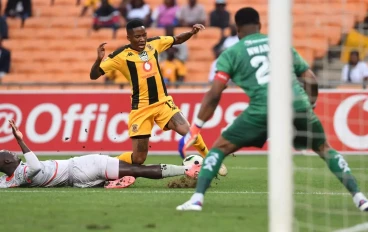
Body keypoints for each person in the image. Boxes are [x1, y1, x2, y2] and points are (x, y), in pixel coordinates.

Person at [176, 7, 368, 211]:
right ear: (259, 26)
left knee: (219, 149)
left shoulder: (231, 53)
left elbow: (214, 94)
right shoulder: (280, 45)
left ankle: (197, 200)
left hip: (261, 109)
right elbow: (310, 80)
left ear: (237, 29)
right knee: (324, 149)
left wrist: (196, 127)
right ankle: (360, 198)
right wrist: (309, 106)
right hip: (297, 104)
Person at [89, 20, 221, 175]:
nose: (142, 39)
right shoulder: (120, 55)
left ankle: (211, 158)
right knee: (138, 159)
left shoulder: (155, 43)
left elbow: (177, 39)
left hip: (163, 103)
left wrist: (191, 33)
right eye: (137, 36)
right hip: (141, 109)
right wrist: (98, 60)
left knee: (188, 131)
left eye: (144, 35)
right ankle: (108, 165)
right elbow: (94, 75)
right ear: (128, 37)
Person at [0, 120, 200, 188]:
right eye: (9, 152)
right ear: (7, 160)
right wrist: (20, 140)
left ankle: (112, 181)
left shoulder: (9, 181)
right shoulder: (22, 173)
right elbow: (35, 166)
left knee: (128, 171)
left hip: (76, 180)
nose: (14, 152)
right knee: (138, 169)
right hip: (80, 166)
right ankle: (188, 169)